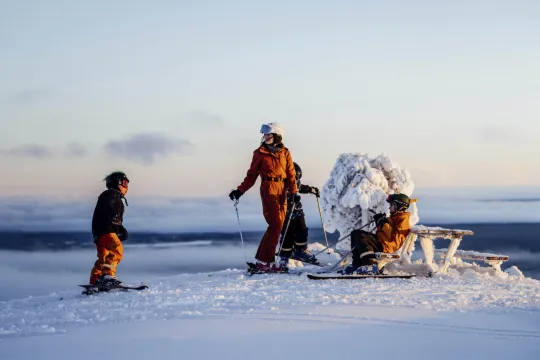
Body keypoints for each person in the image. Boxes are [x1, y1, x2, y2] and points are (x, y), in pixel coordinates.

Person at [229, 122, 299, 273]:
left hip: (282, 190)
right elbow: (252, 175)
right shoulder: (259, 153)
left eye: (268, 134)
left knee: (278, 226)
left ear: (277, 136)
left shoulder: (285, 152)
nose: (265, 137)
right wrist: (240, 191)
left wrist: (293, 193)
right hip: (268, 188)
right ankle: (265, 262)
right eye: (264, 134)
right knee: (275, 225)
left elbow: (291, 173)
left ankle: (262, 259)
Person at [341, 193, 412, 275]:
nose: (389, 207)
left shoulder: (403, 220)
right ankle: (357, 264)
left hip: (387, 246)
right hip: (383, 242)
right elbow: (385, 231)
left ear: (399, 206)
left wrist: (383, 223)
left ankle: (370, 264)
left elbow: (393, 237)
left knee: (361, 236)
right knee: (356, 233)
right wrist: (380, 222)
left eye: (392, 205)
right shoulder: (395, 217)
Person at [89, 171, 130, 286]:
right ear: (117, 183)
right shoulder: (112, 195)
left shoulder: (109, 196)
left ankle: (95, 280)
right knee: (117, 249)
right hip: (106, 230)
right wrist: (118, 226)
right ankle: (107, 275)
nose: (127, 187)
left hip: (99, 232)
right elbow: (110, 213)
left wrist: (119, 229)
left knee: (104, 257)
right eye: (125, 183)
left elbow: (107, 213)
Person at [278, 162, 320, 267]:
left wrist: (311, 189)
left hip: (297, 210)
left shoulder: (295, 182)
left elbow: (299, 187)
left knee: (302, 230)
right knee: (287, 233)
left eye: (297, 178)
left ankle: (301, 250)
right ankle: (284, 255)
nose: (296, 180)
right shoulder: (281, 183)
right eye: (295, 177)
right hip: (285, 211)